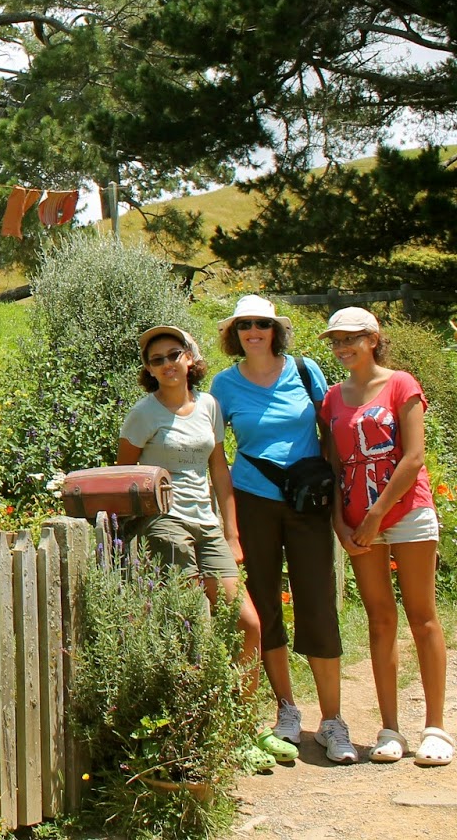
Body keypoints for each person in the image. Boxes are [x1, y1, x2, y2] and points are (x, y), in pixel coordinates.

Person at [118, 325, 270, 768]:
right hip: (165, 522)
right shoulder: (143, 414)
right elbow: (125, 476)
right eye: (157, 360)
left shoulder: (208, 406)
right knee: (192, 624)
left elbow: (219, 470)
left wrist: (231, 532)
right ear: (149, 370)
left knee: (247, 622)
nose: (167, 364)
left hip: (207, 524)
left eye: (174, 354)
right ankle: (197, 733)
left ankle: (242, 727)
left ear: (189, 358)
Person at [209, 295, 350, 764]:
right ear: (235, 333)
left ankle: (332, 720)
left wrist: (338, 498)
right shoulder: (224, 385)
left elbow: (331, 436)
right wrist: (229, 525)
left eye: (262, 324)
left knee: (317, 602)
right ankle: (287, 709)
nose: (254, 331)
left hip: (308, 503)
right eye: (244, 324)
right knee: (265, 603)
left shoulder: (306, 371)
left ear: (276, 330)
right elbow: (215, 456)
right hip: (253, 502)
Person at [319, 307, 451, 767]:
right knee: (379, 620)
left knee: (422, 616)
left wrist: (376, 516)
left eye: (350, 338)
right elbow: (334, 467)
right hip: (357, 520)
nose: (342, 347)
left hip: (407, 511)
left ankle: (435, 729)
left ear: (373, 339)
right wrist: (340, 521)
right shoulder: (332, 398)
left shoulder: (401, 384)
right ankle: (389, 729)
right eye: (336, 340)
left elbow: (413, 457)